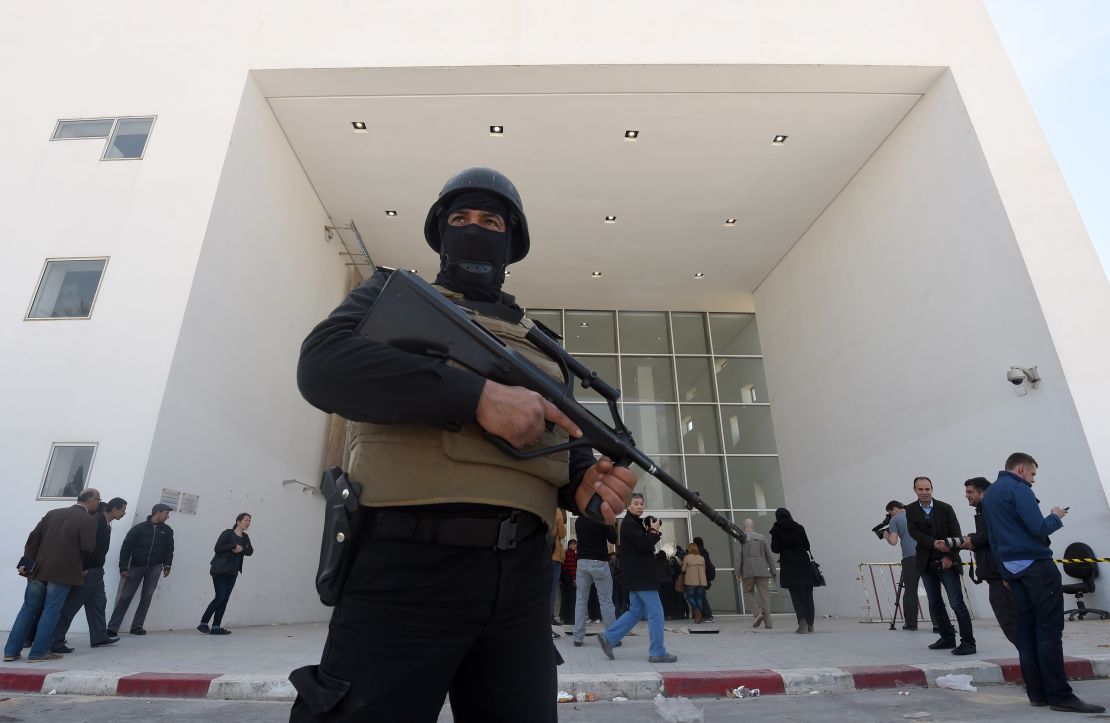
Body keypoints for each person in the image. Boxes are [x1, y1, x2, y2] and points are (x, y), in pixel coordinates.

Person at [289, 167, 636, 723]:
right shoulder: (390, 296)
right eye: (460, 218)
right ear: (439, 232)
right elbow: (323, 365)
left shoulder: (540, 342)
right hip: (405, 564)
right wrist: (474, 396)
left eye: (491, 221)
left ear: (511, 243)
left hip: (522, 582)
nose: (474, 229)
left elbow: (562, 445)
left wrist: (583, 483)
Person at [982, 453, 1104, 714]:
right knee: (1049, 631)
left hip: (1012, 570)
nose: (1033, 480)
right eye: (1033, 474)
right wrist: (1056, 515)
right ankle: (1061, 695)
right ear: (1022, 469)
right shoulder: (1019, 489)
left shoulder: (990, 494)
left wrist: (1004, 571)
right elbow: (1039, 529)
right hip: (1037, 567)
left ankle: (1037, 693)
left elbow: (992, 538)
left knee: (1025, 632)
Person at [4, 488, 100, 662]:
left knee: (28, 609)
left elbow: (33, 538)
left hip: (38, 569)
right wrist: (82, 566)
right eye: (98, 500)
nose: (99, 504)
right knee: (51, 610)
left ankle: (11, 651)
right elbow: (87, 547)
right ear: (91, 500)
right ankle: (39, 652)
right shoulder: (88, 520)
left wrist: (26, 563)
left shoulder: (52, 513)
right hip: (63, 572)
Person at [597, 493, 676, 663]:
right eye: (636, 503)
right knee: (657, 613)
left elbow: (641, 543)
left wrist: (649, 530)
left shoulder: (633, 523)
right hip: (642, 578)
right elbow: (644, 545)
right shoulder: (629, 524)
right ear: (628, 506)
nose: (640, 506)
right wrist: (654, 531)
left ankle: (608, 637)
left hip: (637, 577)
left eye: (642, 503)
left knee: (635, 612)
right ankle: (657, 652)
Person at [905, 477, 975, 655]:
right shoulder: (911, 509)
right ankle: (947, 637)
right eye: (920, 489)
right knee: (935, 602)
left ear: (932, 489)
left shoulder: (945, 508)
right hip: (926, 562)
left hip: (947, 562)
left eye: (927, 489)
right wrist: (933, 543)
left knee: (956, 602)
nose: (924, 492)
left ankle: (968, 642)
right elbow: (915, 533)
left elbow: (956, 534)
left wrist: (949, 557)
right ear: (915, 490)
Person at [50, 497, 128, 653]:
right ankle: (55, 640)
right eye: (123, 509)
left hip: (97, 571)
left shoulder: (106, 524)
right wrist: (83, 567)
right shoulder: (96, 522)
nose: (124, 513)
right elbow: (86, 546)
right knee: (72, 606)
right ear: (114, 509)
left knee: (98, 603)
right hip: (88, 571)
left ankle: (99, 636)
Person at [960, 477, 1017, 646]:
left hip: (1000, 576)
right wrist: (972, 540)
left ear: (983, 492)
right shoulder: (984, 510)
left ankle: (1035, 664)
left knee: (1011, 623)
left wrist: (974, 541)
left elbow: (994, 534)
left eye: (970, 492)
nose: (966, 496)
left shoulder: (990, 509)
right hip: (996, 575)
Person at [107, 503, 174, 637]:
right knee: (125, 597)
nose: (168, 516)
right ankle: (112, 627)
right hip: (136, 566)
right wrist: (123, 567)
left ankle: (137, 626)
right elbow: (126, 548)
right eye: (166, 513)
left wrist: (167, 566)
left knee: (147, 597)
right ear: (158, 512)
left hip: (155, 567)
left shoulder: (167, 530)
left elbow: (169, 550)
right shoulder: (138, 529)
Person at [198, 512, 254, 636]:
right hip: (220, 570)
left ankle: (216, 627)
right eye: (246, 520)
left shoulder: (245, 538)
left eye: (249, 521)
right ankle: (203, 623)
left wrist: (242, 549)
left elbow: (250, 551)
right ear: (238, 521)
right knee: (220, 596)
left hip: (233, 572)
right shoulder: (227, 533)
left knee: (225, 599)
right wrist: (232, 546)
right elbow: (217, 548)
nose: (248, 523)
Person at [770, 507, 818, 634]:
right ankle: (811, 625)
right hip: (803, 561)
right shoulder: (799, 527)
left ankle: (802, 622)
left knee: (796, 594)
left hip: (789, 563)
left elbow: (775, 548)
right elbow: (807, 545)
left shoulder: (776, 529)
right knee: (808, 594)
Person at [572, 515, 618, 646]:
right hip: (599, 562)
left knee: (581, 600)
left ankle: (578, 637)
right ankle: (612, 637)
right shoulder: (602, 518)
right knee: (606, 601)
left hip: (582, 562)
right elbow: (613, 538)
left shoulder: (579, 520)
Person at [882, 500, 921, 630]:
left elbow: (893, 541)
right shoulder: (918, 512)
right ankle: (938, 624)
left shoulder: (895, 519)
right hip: (927, 555)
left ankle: (911, 624)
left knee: (910, 590)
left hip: (910, 558)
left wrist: (886, 535)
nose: (890, 516)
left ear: (893, 509)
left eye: (889, 513)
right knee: (933, 589)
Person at [736, 518, 776, 629]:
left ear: (744, 526)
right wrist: (773, 571)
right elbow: (769, 555)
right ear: (752, 526)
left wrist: (737, 572)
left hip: (748, 571)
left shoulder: (741, 538)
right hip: (762, 571)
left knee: (748, 592)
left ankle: (757, 614)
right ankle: (768, 623)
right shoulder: (761, 537)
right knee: (765, 596)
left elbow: (738, 557)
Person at [681, 542, 708, 623]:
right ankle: (698, 615)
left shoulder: (687, 557)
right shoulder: (701, 558)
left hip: (691, 581)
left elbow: (683, 569)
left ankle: (696, 611)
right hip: (701, 581)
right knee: (699, 598)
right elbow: (705, 568)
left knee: (690, 597)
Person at [691, 537, 715, 622]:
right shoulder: (704, 552)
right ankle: (704, 615)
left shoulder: (699, 553)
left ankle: (708, 615)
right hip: (704, 577)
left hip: (700, 577)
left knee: (701, 596)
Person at [550, 508, 567, 627]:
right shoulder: (556, 511)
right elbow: (562, 533)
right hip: (553, 555)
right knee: (552, 589)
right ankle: (549, 616)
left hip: (536, 555)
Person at [560, 539, 578, 626]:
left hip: (564, 578)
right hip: (569, 578)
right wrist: (574, 579)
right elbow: (572, 567)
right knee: (571, 599)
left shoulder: (565, 553)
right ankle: (570, 619)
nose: (576, 546)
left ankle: (564, 618)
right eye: (574, 544)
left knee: (565, 598)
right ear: (570, 545)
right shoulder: (570, 554)